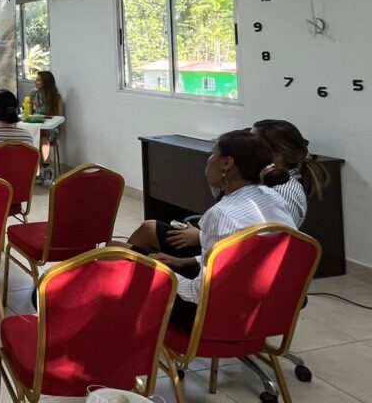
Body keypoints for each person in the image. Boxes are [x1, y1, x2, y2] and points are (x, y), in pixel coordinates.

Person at [132, 130, 295, 329]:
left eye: (212, 154)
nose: (208, 160)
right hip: (267, 306)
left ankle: (123, 326)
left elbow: (199, 294)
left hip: (215, 316)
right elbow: (243, 256)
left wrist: (164, 273)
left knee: (121, 257)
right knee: (145, 242)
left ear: (226, 163)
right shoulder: (274, 198)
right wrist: (183, 262)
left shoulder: (221, 214)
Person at [252, 119, 328, 226]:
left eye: (251, 146)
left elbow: (276, 234)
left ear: (277, 155)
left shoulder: (282, 191)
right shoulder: (267, 184)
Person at [32, 70, 65, 185]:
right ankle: (35, 170)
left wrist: (48, 126)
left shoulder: (56, 97)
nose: (35, 82)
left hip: (52, 128)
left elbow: (59, 118)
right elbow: (30, 114)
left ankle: (46, 169)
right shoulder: (33, 95)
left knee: (43, 138)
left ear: (46, 82)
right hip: (37, 127)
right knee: (32, 136)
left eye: (38, 80)